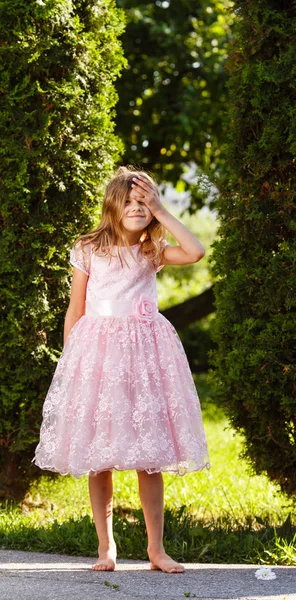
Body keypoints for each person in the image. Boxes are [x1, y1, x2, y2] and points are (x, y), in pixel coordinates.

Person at [33, 166, 210, 573]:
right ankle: (105, 547)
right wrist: (72, 366)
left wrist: (161, 210)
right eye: (129, 201)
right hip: (99, 358)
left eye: (144, 203)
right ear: (113, 204)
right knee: (101, 455)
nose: (137, 208)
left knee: (149, 455)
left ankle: (156, 549)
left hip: (146, 359)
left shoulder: (153, 250)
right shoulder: (88, 248)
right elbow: (75, 308)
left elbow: (197, 252)